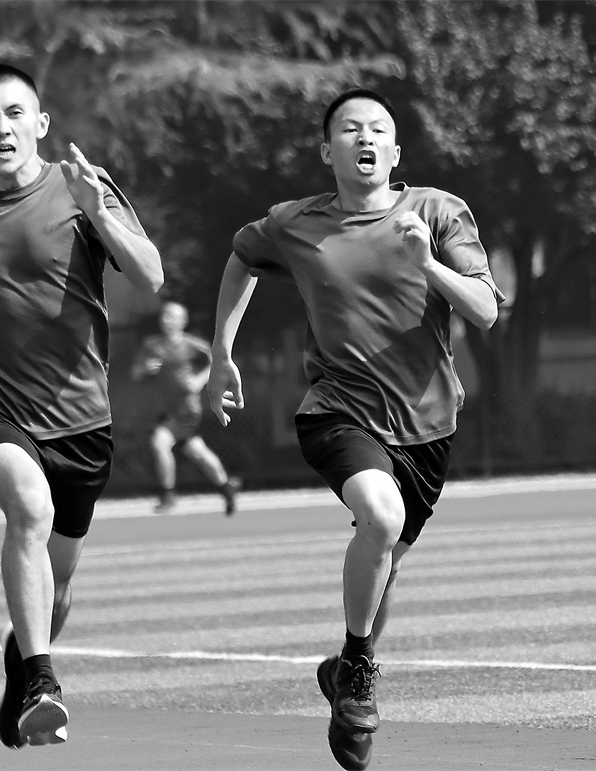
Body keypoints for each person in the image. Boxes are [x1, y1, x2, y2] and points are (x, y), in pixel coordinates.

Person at [206, 88, 504, 770]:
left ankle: (344, 671)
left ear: (395, 152)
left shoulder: (437, 211)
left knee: (385, 562)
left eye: (377, 129)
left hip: (428, 423)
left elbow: (486, 310)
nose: (364, 137)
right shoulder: (296, 222)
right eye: (349, 129)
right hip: (337, 408)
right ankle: (363, 667)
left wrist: (427, 262)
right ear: (327, 150)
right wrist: (222, 350)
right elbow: (242, 257)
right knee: (381, 516)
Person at [0, 63, 162, 750]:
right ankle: (44, 682)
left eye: (15, 113)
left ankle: (22, 664)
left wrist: (99, 212)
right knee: (29, 507)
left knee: (60, 582)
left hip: (81, 419)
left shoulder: (83, 187)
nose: (2, 127)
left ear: (40, 124)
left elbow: (151, 275)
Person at [131, 301, 241, 514]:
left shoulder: (192, 345)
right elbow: (136, 373)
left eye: (173, 317)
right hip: (167, 411)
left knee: (159, 443)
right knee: (197, 452)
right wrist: (145, 368)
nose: (167, 320)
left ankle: (168, 495)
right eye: (165, 316)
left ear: (183, 321)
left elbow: (218, 361)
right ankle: (227, 487)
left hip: (187, 411)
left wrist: (199, 381)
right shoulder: (151, 345)